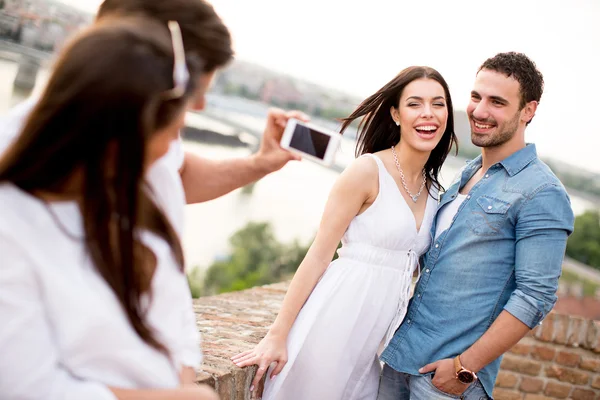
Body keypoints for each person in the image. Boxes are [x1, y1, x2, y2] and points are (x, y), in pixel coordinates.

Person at [0, 17, 218, 400]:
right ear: (118, 138)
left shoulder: (136, 191)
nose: (172, 150)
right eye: (169, 133)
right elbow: (28, 388)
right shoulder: (11, 226)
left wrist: (182, 375)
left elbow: (175, 308)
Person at [232, 66, 458, 400]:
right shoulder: (367, 171)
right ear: (395, 114)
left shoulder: (437, 192)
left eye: (438, 104)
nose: (428, 113)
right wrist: (277, 335)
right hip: (333, 322)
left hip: (372, 348)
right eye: (415, 104)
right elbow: (319, 254)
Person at [0, 0, 307, 226]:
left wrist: (259, 164)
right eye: (192, 94)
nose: (199, 107)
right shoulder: (20, 201)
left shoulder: (141, 131)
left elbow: (179, 175)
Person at [377, 52, 575, 400]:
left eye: (497, 102)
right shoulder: (468, 172)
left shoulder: (543, 193)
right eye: (476, 96)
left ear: (528, 110)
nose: (480, 111)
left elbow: (535, 297)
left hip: (446, 382)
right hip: (401, 358)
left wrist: (462, 369)